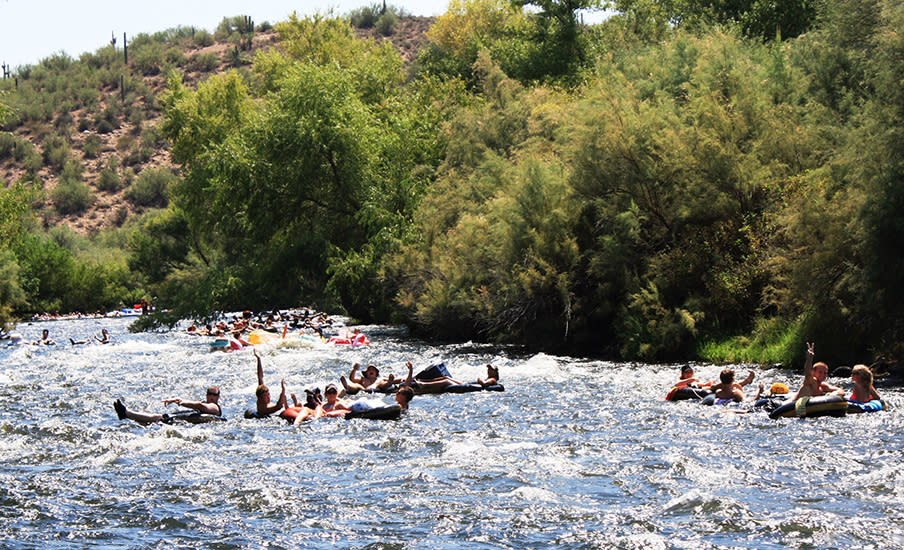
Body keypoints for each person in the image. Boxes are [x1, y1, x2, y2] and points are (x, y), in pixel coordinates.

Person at [113, 386, 222, 424]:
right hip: (182, 419)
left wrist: (182, 403)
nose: (212, 396)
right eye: (209, 394)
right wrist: (175, 399)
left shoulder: (215, 407)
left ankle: (127, 413)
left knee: (158, 417)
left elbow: (200, 406)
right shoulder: (204, 402)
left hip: (185, 421)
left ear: (218, 396)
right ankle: (126, 414)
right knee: (157, 416)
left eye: (214, 394)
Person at [252, 348, 287, 417]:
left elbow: (260, 377)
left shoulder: (264, 399)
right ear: (260, 398)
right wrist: (283, 390)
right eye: (266, 395)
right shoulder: (263, 407)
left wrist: (258, 359)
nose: (269, 397)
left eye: (268, 394)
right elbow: (279, 406)